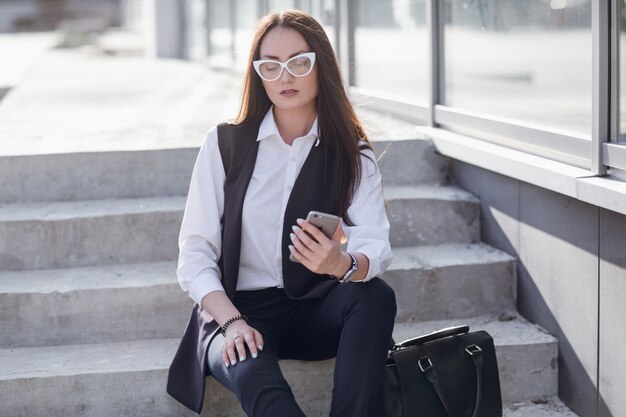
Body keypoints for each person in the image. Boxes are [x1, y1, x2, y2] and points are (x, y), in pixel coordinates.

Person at [167, 9, 396, 417]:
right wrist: (231, 321)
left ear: (319, 66)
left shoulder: (353, 155)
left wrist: (342, 263)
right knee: (257, 378)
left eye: (298, 63)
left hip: (314, 309)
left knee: (375, 296)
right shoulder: (224, 145)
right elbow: (195, 253)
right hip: (240, 313)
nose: (284, 77)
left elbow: (375, 242)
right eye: (270, 66)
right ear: (258, 74)